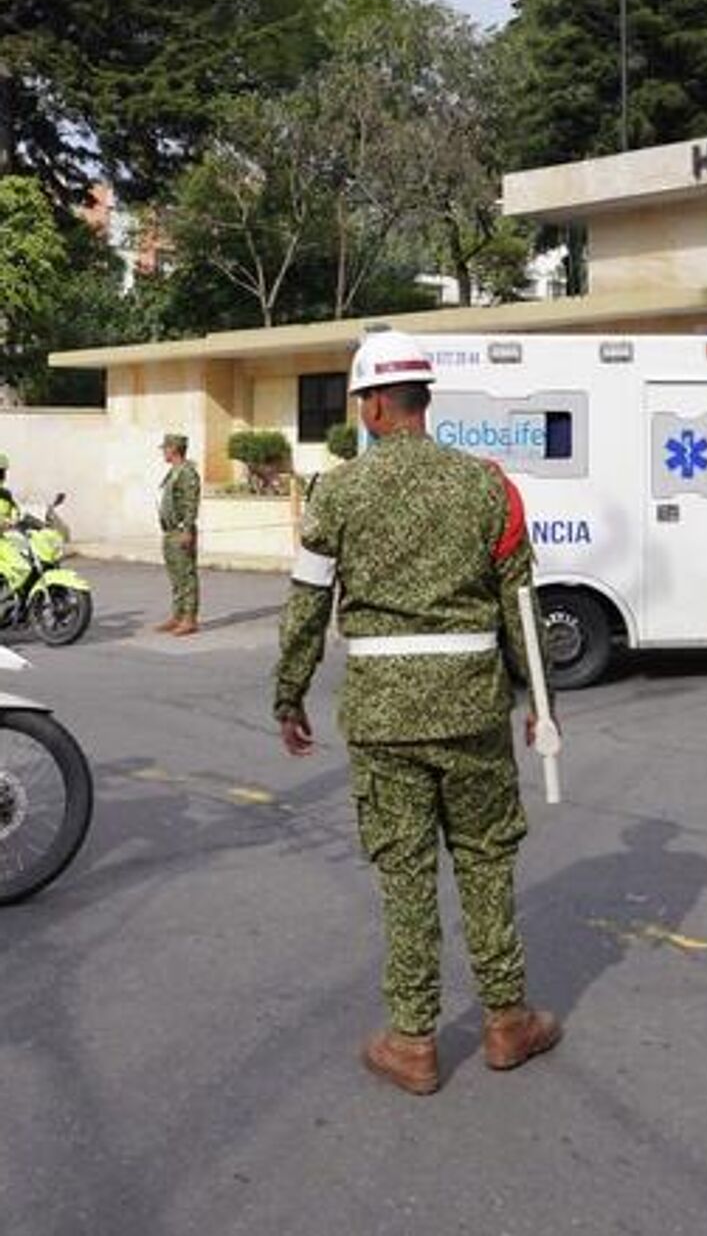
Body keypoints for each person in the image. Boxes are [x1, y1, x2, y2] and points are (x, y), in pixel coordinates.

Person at [273, 329, 562, 1097]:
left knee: (405, 873)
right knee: (486, 860)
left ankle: (413, 1041)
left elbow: (306, 607)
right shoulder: (488, 486)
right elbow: (521, 607)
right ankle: (507, 1021)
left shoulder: (337, 494)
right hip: (473, 711)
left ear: (371, 405)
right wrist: (542, 706)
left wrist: (289, 694)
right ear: (420, 399)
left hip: (384, 719)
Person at [156, 433, 202, 635]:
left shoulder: (187, 473)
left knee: (187, 576)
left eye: (166, 448)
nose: (163, 452)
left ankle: (189, 619)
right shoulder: (173, 472)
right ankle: (177, 615)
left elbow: (192, 503)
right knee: (175, 576)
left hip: (181, 531)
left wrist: (187, 530)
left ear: (174, 449)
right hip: (170, 531)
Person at [0, 453, 19, 529]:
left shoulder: (6, 495)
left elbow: (16, 511)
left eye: (1, 473)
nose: (3, 476)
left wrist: (12, 520)